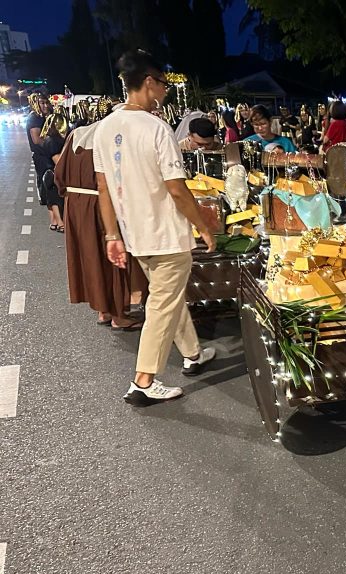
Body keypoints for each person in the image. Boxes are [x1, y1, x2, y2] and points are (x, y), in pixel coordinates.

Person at [93, 49, 217, 406]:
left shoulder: (105, 129)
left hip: (135, 233)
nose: (165, 90)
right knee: (163, 304)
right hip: (166, 233)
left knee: (167, 296)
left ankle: (192, 354)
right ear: (149, 82)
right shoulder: (156, 128)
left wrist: (112, 235)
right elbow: (177, 189)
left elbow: (103, 188)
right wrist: (204, 226)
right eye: (163, 83)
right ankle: (144, 381)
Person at [56, 116, 147, 330]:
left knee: (91, 259)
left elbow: (59, 173)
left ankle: (103, 310)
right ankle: (118, 315)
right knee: (113, 259)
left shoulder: (75, 135)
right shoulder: (112, 136)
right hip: (100, 202)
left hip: (75, 204)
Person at [26, 95, 66, 233]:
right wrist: (53, 144)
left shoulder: (42, 116)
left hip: (46, 155)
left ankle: (54, 221)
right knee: (50, 186)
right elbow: (37, 140)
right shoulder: (34, 118)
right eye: (41, 103)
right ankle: (59, 221)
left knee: (49, 186)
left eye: (46, 102)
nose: (45, 106)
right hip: (42, 157)